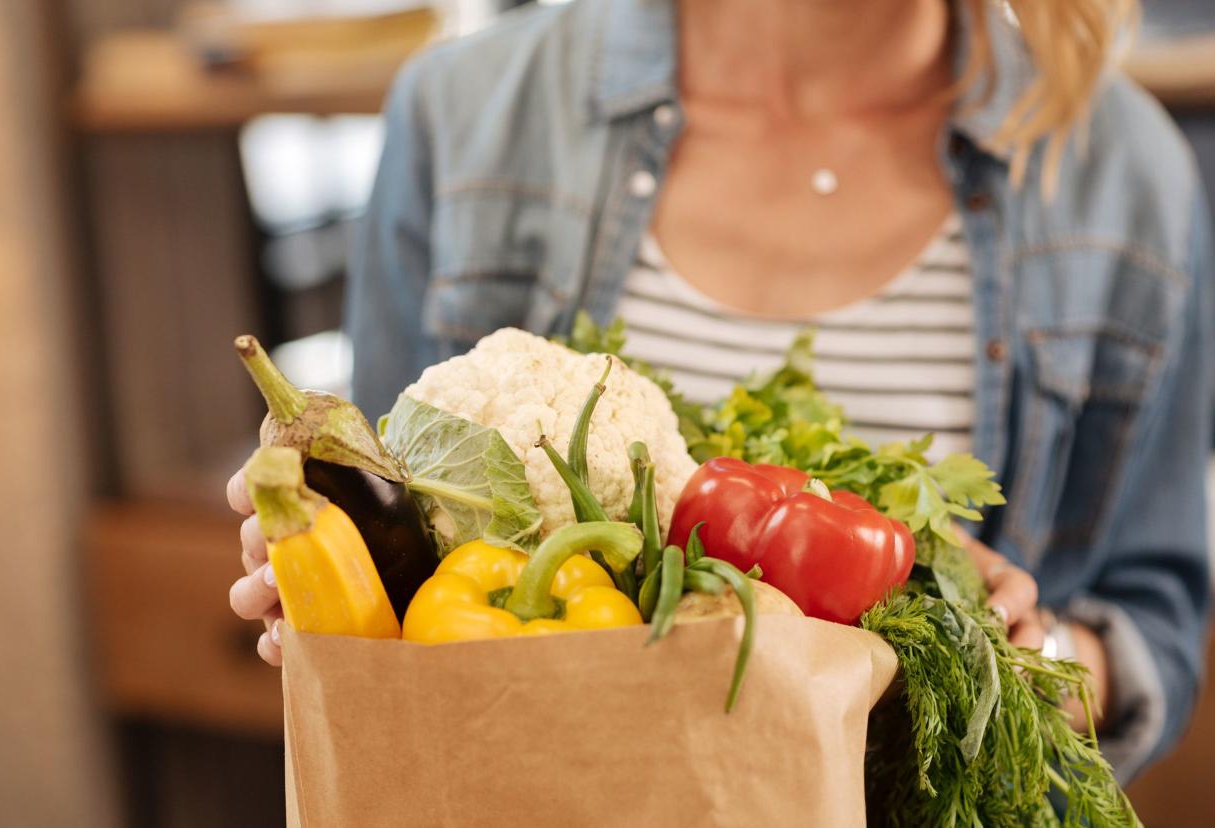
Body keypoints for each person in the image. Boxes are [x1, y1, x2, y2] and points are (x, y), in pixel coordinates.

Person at [228, 0, 1213, 782]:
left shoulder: (1122, 173)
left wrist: (1015, 653)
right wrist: (319, 567)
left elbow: (1154, 620)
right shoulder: (465, 112)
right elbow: (398, 541)